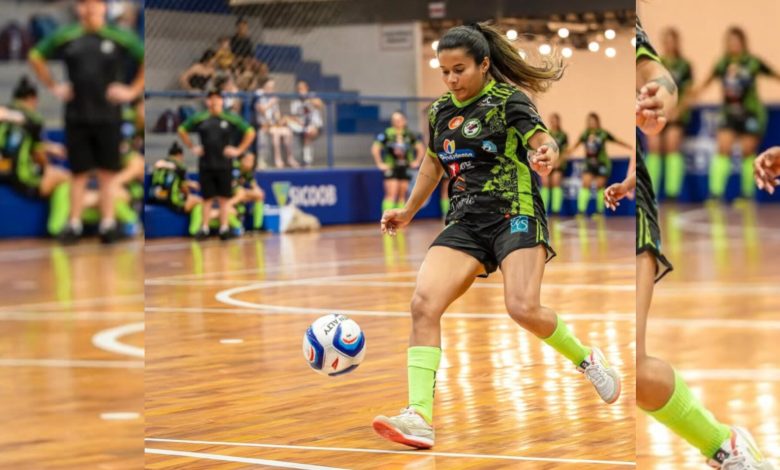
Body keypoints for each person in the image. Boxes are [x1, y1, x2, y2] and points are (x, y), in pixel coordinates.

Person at [372, 22, 620, 450]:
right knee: (422, 305)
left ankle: (587, 359)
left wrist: (547, 153)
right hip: (465, 220)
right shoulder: (439, 112)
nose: (451, 79)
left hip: (514, 211)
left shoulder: (509, 101)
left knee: (522, 307)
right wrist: (409, 211)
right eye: (444, 71)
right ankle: (419, 416)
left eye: (460, 69)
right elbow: (433, 164)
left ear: (484, 64)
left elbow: (543, 140)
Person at [606, 18, 772, 469]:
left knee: (634, 370)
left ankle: (724, 445)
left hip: (639, 213)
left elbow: (660, 77)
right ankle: (723, 442)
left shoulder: (629, 31)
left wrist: (664, 95)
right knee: (635, 373)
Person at [29, 0, 144, 243]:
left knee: (107, 173)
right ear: (79, 8)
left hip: (109, 116)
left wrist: (133, 90)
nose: (90, 9)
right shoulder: (67, 35)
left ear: (104, 8)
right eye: (84, 4)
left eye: (95, 4)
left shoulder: (119, 36)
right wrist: (53, 86)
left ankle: (108, 224)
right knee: (78, 173)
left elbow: (144, 57)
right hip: (77, 115)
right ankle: (74, 224)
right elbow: (36, 55)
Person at [687, 27, 780, 199]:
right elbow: (704, 84)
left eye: (736, 41)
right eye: (730, 41)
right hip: (729, 113)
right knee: (723, 147)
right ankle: (715, 193)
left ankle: (747, 194)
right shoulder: (722, 63)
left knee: (747, 151)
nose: (733, 44)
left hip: (751, 113)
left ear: (743, 42)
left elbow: (775, 75)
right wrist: (687, 96)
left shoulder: (753, 62)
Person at [178, 89, 256, 241]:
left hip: (225, 164)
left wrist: (239, 150)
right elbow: (182, 129)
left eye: (218, 98)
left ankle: (224, 228)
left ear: (222, 101)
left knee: (224, 198)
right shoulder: (200, 118)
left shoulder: (230, 118)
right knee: (207, 198)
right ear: (207, 101)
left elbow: (250, 131)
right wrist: (192, 146)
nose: (214, 102)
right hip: (206, 164)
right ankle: (205, 228)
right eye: (211, 99)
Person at [0, 76, 70, 236]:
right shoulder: (33, 119)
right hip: (20, 176)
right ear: (32, 99)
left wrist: (50, 147)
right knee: (65, 177)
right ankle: (57, 227)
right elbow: (37, 151)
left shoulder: (4, 112)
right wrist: (48, 169)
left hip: (2, 170)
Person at [644, 28, 692, 199]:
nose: (670, 44)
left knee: (672, 148)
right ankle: (652, 191)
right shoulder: (657, 63)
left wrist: (678, 110)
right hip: (658, 112)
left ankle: (672, 192)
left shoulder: (684, 65)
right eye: (667, 40)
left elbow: (688, 92)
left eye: (673, 40)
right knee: (654, 148)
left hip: (676, 115)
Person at [568, 112, 632, 215]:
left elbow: (617, 140)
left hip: (602, 163)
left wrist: (630, 147)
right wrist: (564, 153)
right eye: (589, 121)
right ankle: (581, 211)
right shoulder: (585, 134)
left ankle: (599, 211)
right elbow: (575, 145)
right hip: (589, 163)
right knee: (586, 183)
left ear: (597, 121)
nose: (591, 123)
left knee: (599, 186)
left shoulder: (603, 133)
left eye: (593, 120)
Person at [372, 111, 424, 214]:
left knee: (402, 195)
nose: (397, 122)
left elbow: (420, 148)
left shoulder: (409, 134)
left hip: (405, 167)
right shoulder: (387, 133)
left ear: (405, 121)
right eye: (395, 120)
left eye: (400, 119)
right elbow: (375, 147)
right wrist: (379, 163)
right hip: (391, 167)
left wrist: (417, 161)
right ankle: (387, 219)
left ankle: (399, 221)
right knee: (391, 194)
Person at [149, 142, 204, 236]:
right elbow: (183, 187)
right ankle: (195, 230)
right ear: (179, 155)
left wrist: (189, 183)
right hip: (170, 200)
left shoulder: (160, 163)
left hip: (154, 197)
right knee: (200, 202)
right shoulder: (180, 166)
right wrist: (189, 196)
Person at [256, 79, 296, 168]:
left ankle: (290, 158)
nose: (271, 89)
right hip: (263, 124)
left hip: (273, 125)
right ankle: (277, 159)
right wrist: (271, 103)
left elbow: (276, 114)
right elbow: (262, 110)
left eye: (272, 88)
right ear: (264, 87)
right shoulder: (259, 96)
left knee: (287, 132)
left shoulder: (273, 97)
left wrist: (280, 120)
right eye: (269, 87)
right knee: (276, 134)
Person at [288, 80, 323, 167]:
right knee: (288, 127)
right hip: (301, 126)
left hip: (315, 125)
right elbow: (293, 116)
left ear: (306, 88)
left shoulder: (312, 96)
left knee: (308, 132)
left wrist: (307, 99)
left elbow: (319, 104)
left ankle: (307, 161)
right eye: (298, 89)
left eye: (302, 88)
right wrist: (297, 121)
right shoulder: (295, 101)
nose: (300, 91)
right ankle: (293, 159)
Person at [540, 112, 569, 214]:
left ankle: (556, 210)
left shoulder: (563, 135)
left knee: (556, 183)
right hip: (547, 162)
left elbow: (565, 151)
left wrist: (559, 161)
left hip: (558, 164)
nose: (553, 122)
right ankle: (543, 209)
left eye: (555, 120)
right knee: (545, 184)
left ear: (558, 121)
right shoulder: (546, 134)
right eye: (551, 120)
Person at [230, 152, 265, 231]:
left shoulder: (248, 171)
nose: (250, 163)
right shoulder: (234, 166)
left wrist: (254, 191)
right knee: (240, 193)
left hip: (240, 193)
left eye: (252, 161)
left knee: (259, 195)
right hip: (226, 195)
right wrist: (244, 193)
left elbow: (255, 186)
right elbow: (231, 186)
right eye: (248, 160)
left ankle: (257, 227)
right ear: (242, 159)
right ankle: (236, 226)